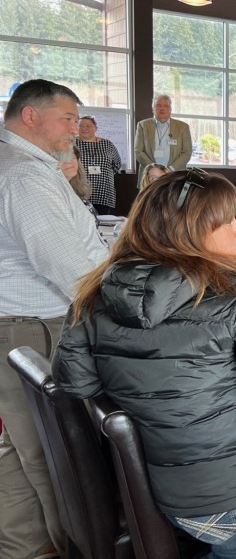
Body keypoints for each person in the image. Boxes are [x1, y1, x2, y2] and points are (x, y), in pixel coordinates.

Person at [53, 169, 236, 557]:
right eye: (227, 220)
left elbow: (76, 387)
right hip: (231, 491)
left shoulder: (94, 294)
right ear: (191, 230)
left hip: (147, 486)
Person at [0, 79, 108, 559]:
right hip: (34, 327)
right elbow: (67, 265)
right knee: (53, 450)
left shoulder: (34, 169)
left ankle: (27, 548)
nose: (74, 129)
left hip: (27, 322)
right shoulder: (24, 175)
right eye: (67, 118)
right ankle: (71, 549)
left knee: (20, 451)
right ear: (30, 116)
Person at [134, 94, 192, 184]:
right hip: (150, 177)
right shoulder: (143, 126)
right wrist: (154, 169)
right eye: (158, 105)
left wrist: (169, 170)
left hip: (174, 175)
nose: (162, 108)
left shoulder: (183, 127)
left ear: (170, 109)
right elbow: (138, 151)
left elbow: (187, 152)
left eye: (166, 106)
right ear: (153, 109)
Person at [76, 114, 122, 215]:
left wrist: (104, 175)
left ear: (95, 128)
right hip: (79, 190)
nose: (84, 128)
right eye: (81, 126)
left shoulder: (107, 144)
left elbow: (117, 164)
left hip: (104, 191)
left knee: (103, 223)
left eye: (88, 126)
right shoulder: (71, 143)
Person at [58, 145, 99, 222]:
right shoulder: (52, 192)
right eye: (61, 158)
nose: (68, 161)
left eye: (72, 156)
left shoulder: (76, 189)